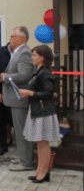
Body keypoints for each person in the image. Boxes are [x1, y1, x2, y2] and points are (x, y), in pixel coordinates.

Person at [19, 45, 59, 183]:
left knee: (43, 143)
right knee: (39, 142)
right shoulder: (39, 71)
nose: (32, 58)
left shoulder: (45, 72)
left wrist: (29, 93)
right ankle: (40, 169)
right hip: (37, 110)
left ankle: (44, 171)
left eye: (34, 55)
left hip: (44, 112)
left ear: (42, 57)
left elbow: (49, 93)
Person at [1, 26, 34, 171]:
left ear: (20, 38)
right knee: (19, 130)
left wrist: (6, 77)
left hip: (20, 98)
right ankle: (23, 157)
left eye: (12, 36)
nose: (10, 39)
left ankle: (27, 162)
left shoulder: (25, 53)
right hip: (15, 98)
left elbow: (24, 75)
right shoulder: (18, 52)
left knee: (22, 131)